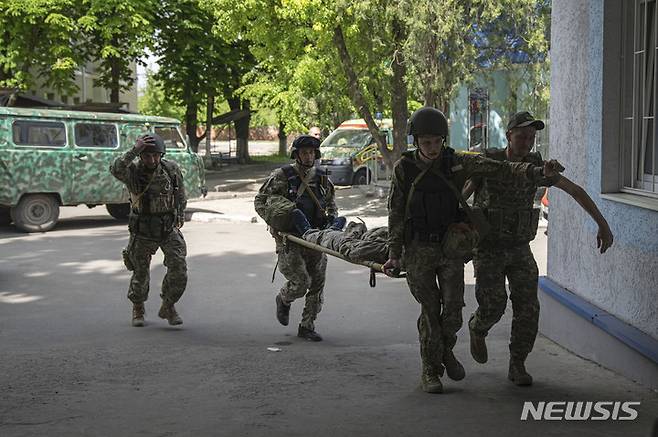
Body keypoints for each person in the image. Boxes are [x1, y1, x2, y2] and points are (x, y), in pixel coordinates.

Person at [382, 107, 560, 394]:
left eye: (437, 141)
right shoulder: (405, 168)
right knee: (430, 310)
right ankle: (430, 369)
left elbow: (500, 168)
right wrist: (394, 252)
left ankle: (445, 350)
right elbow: (396, 212)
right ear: (417, 142)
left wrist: (537, 171)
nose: (433, 148)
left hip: (450, 246)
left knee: (453, 311)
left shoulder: (456, 162)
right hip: (419, 250)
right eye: (426, 142)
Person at [464, 111, 614, 386]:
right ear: (508, 136)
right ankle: (478, 327)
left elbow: (575, 191)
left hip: (520, 248)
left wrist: (602, 224)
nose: (527, 142)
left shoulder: (537, 167)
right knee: (494, 305)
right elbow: (463, 194)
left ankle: (517, 364)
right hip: (489, 248)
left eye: (531, 138)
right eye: (522, 136)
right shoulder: (490, 161)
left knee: (528, 309)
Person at [254, 135, 344, 341]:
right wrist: (274, 223)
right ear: (296, 154)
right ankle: (284, 299)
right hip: (292, 239)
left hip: (317, 238)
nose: (309, 156)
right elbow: (261, 201)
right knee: (301, 283)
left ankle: (307, 325)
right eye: (304, 152)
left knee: (317, 284)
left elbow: (331, 204)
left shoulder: (322, 177)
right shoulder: (283, 175)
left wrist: (332, 219)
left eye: (312, 152)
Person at [110, 133, 188, 327]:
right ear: (140, 157)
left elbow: (180, 194)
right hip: (143, 230)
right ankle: (138, 307)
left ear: (161, 155)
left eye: (155, 155)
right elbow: (115, 168)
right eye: (146, 156)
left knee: (179, 268)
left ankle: (168, 305)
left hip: (167, 228)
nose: (152, 160)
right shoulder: (133, 172)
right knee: (140, 272)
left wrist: (180, 215)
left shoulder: (171, 169)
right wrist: (134, 149)